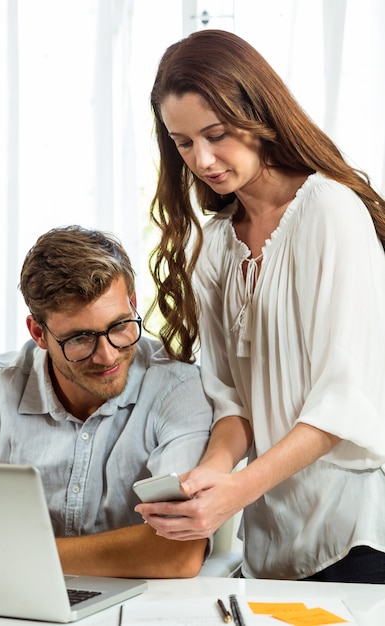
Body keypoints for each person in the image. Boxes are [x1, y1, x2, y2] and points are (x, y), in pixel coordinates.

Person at [135, 29, 385, 583]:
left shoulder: (329, 211)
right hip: (270, 545)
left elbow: (347, 400)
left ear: (259, 113)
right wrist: (210, 477)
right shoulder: (218, 245)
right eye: (182, 142)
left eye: (216, 134)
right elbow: (233, 403)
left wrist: (237, 490)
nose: (202, 159)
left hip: (356, 535)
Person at [0, 225, 213, 578]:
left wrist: (9, 558)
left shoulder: (177, 387)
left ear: (132, 303)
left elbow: (178, 552)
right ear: (39, 333)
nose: (107, 355)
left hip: (143, 607)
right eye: (80, 338)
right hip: (17, 600)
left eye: (119, 326)